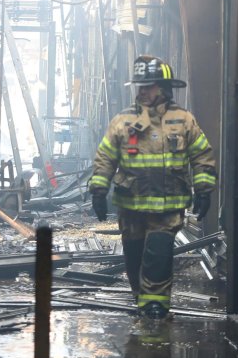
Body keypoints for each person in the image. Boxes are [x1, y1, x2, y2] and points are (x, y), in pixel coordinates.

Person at [88, 55, 217, 320]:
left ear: (163, 87)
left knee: (158, 255)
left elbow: (202, 156)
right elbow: (105, 157)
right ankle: (141, 299)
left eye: (149, 86)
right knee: (135, 258)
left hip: (167, 209)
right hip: (131, 207)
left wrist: (204, 190)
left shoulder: (183, 120)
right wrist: (98, 191)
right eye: (140, 86)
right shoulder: (122, 122)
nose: (143, 91)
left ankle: (155, 307)